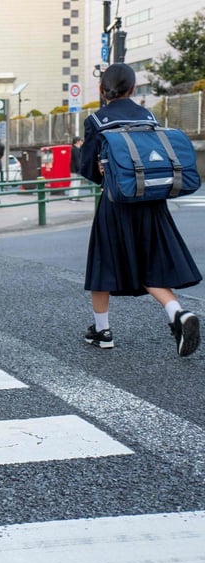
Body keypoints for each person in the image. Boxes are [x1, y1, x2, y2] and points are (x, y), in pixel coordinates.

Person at [79, 62, 201, 356]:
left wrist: (103, 174)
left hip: (116, 203)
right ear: (133, 89)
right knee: (150, 262)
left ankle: (102, 331)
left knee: (104, 263)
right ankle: (177, 312)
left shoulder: (96, 120)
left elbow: (86, 167)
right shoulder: (149, 117)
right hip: (151, 201)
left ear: (102, 89)